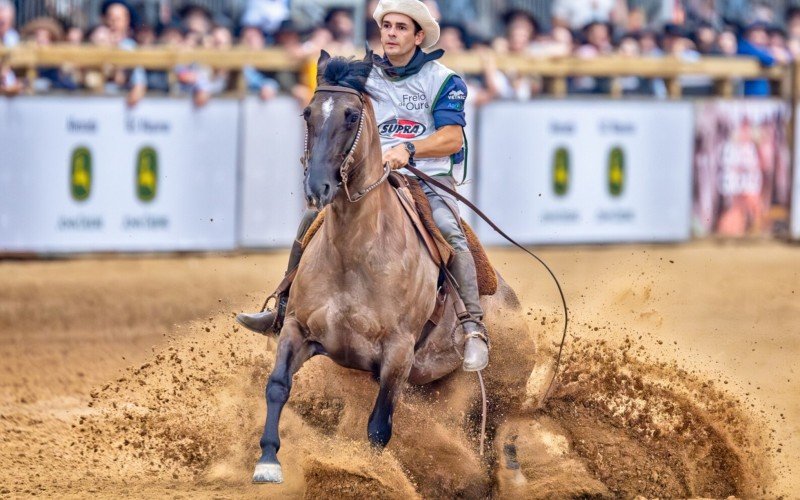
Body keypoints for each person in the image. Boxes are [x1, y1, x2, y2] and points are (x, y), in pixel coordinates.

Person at [236, 0, 489, 372]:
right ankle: (282, 310)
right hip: (370, 177)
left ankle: (473, 330)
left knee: (451, 232)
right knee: (312, 219)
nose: (390, 33)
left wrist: (409, 149)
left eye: (401, 27)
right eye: (386, 26)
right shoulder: (365, 76)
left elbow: (452, 138)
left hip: (427, 177)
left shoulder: (444, 80)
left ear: (419, 36)